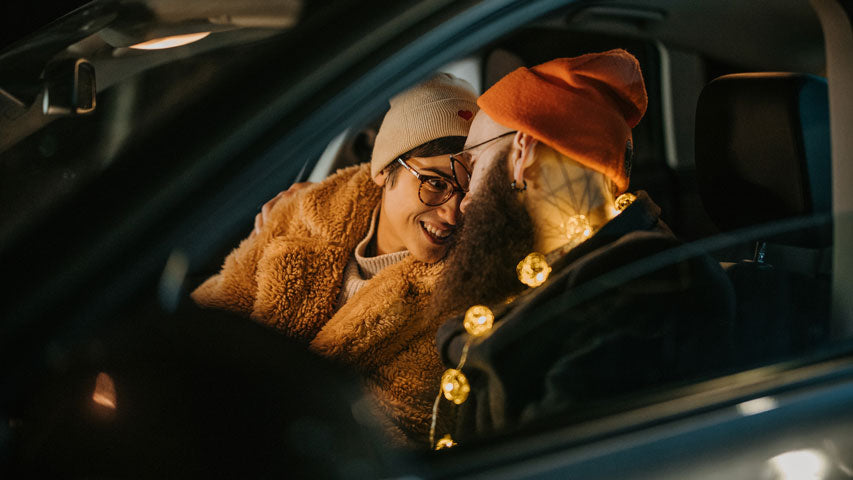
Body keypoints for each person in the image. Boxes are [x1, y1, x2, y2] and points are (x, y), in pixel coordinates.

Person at [428, 50, 735, 448]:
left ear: (524, 152)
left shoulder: (652, 289)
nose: (464, 200)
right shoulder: (549, 272)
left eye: (472, 166)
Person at [191, 73, 479, 447]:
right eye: (436, 183)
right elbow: (212, 320)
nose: (453, 214)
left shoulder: (460, 300)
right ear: (384, 169)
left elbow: (396, 435)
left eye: (468, 192)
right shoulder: (301, 216)